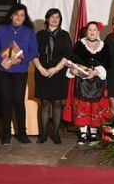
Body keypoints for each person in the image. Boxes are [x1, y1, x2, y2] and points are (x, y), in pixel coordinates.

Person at [0, 3, 38, 145]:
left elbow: (33, 52)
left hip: (20, 71)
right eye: (16, 14)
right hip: (3, 70)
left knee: (18, 101)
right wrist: (1, 61)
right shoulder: (1, 29)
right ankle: (6, 134)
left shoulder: (29, 32)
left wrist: (20, 61)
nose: (19, 17)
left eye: (22, 15)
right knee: (6, 101)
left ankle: (22, 133)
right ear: (11, 16)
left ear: (25, 18)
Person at [65, 21, 111, 144]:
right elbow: (72, 61)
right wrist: (73, 69)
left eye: (94, 30)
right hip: (82, 83)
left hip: (97, 83)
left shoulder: (104, 46)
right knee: (83, 108)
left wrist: (96, 72)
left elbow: (107, 64)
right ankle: (83, 134)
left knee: (95, 108)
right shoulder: (79, 45)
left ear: (98, 32)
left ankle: (94, 134)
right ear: (86, 31)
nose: (92, 32)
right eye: (89, 30)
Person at [33, 9, 72, 144]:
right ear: (47, 19)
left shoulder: (65, 35)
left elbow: (67, 55)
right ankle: (43, 133)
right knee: (44, 103)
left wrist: (55, 69)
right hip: (42, 72)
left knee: (57, 103)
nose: (55, 19)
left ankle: (55, 132)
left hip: (59, 73)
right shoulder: (39, 35)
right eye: (52, 17)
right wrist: (40, 68)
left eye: (57, 17)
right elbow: (33, 53)